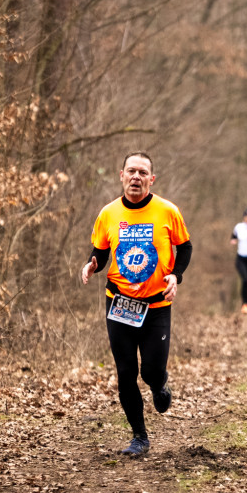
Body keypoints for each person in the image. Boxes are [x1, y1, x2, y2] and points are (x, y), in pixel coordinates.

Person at [81, 151, 192, 456]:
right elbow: (100, 252)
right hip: (119, 305)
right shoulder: (108, 213)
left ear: (151, 179)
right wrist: (92, 265)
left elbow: (185, 248)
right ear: (121, 175)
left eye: (143, 173)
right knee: (126, 371)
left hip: (156, 306)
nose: (136, 177)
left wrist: (175, 277)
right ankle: (139, 437)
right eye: (131, 171)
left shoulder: (167, 211)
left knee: (151, 371)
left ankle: (159, 385)